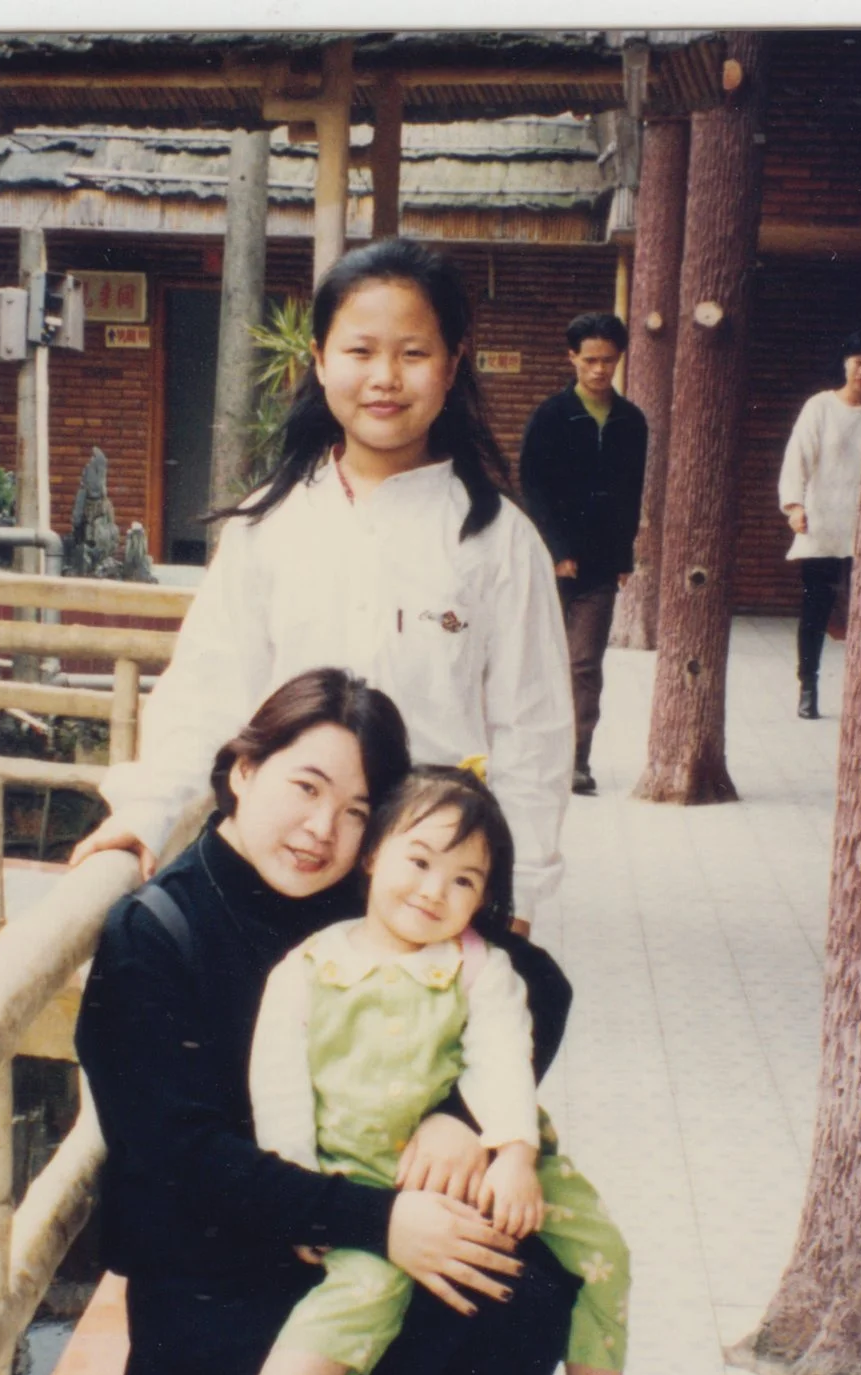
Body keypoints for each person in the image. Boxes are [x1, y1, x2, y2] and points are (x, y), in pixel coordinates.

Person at [74, 669, 583, 1375]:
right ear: (242, 771)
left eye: (356, 811)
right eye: (304, 788)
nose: (322, 830)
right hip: (224, 1272)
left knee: (528, 1285)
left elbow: (537, 984)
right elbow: (183, 1159)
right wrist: (383, 1221)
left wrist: (462, 1117)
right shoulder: (158, 932)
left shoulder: (367, 894)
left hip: (360, 1248)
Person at [208, 766, 687, 1375]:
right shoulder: (308, 969)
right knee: (363, 1292)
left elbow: (501, 1058)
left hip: (486, 1155)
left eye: (464, 880)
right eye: (420, 860)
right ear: (373, 854)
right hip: (367, 1175)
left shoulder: (477, 966)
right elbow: (281, 1088)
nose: (435, 891)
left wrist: (514, 1153)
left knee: (600, 1247)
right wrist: (302, 1198)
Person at [74, 237, 573, 935]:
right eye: (360, 351)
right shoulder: (269, 523)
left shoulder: (498, 541)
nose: (385, 378)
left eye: (414, 353)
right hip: (278, 871)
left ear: (453, 363)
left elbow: (534, 736)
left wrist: (512, 901)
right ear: (319, 359)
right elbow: (207, 692)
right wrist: (148, 811)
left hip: (423, 898)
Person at [515, 312, 648, 795]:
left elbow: (631, 492)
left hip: (599, 566)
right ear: (572, 357)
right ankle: (531, 752)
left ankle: (576, 759)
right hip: (547, 562)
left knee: (584, 665)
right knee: (537, 661)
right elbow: (532, 485)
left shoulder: (631, 421)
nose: (598, 369)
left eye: (607, 360)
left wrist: (623, 557)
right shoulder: (550, 416)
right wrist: (557, 548)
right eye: (589, 360)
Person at [777, 328, 861, 720]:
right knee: (816, 609)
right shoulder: (820, 407)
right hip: (824, 523)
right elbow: (797, 457)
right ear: (845, 364)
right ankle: (808, 685)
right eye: (858, 362)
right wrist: (794, 506)